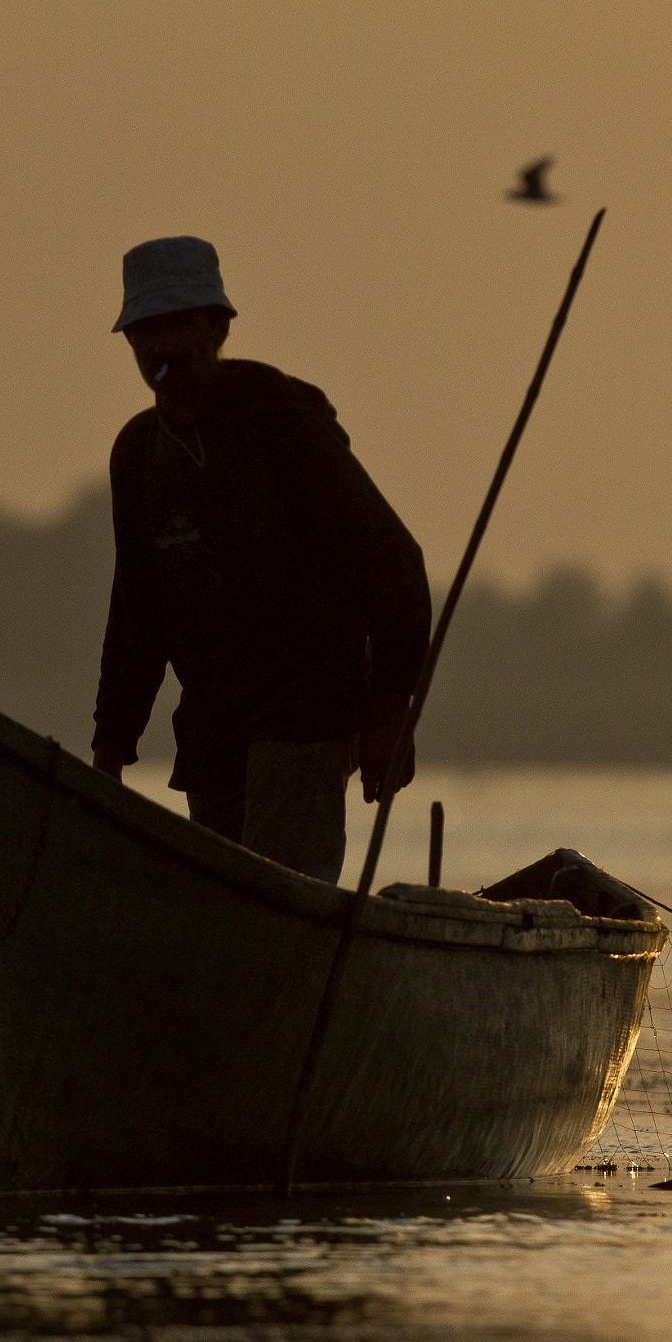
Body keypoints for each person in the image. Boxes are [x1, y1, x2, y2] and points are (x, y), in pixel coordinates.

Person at [91, 236, 430, 885]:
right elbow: (137, 618)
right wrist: (108, 757)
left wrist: (391, 709)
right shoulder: (139, 455)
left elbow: (394, 563)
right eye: (145, 333)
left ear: (217, 328)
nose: (160, 349)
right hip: (212, 740)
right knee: (223, 908)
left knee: (273, 895)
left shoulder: (284, 426)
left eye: (178, 326)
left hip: (302, 720)